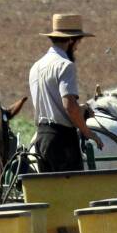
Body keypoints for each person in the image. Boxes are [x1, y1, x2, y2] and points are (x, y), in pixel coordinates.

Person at [28, 13, 103, 172]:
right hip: (62, 141)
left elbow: (51, 104)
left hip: (41, 138)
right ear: (70, 40)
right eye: (78, 42)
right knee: (71, 187)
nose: (77, 48)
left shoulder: (36, 66)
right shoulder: (65, 65)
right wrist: (87, 132)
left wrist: (81, 109)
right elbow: (69, 106)